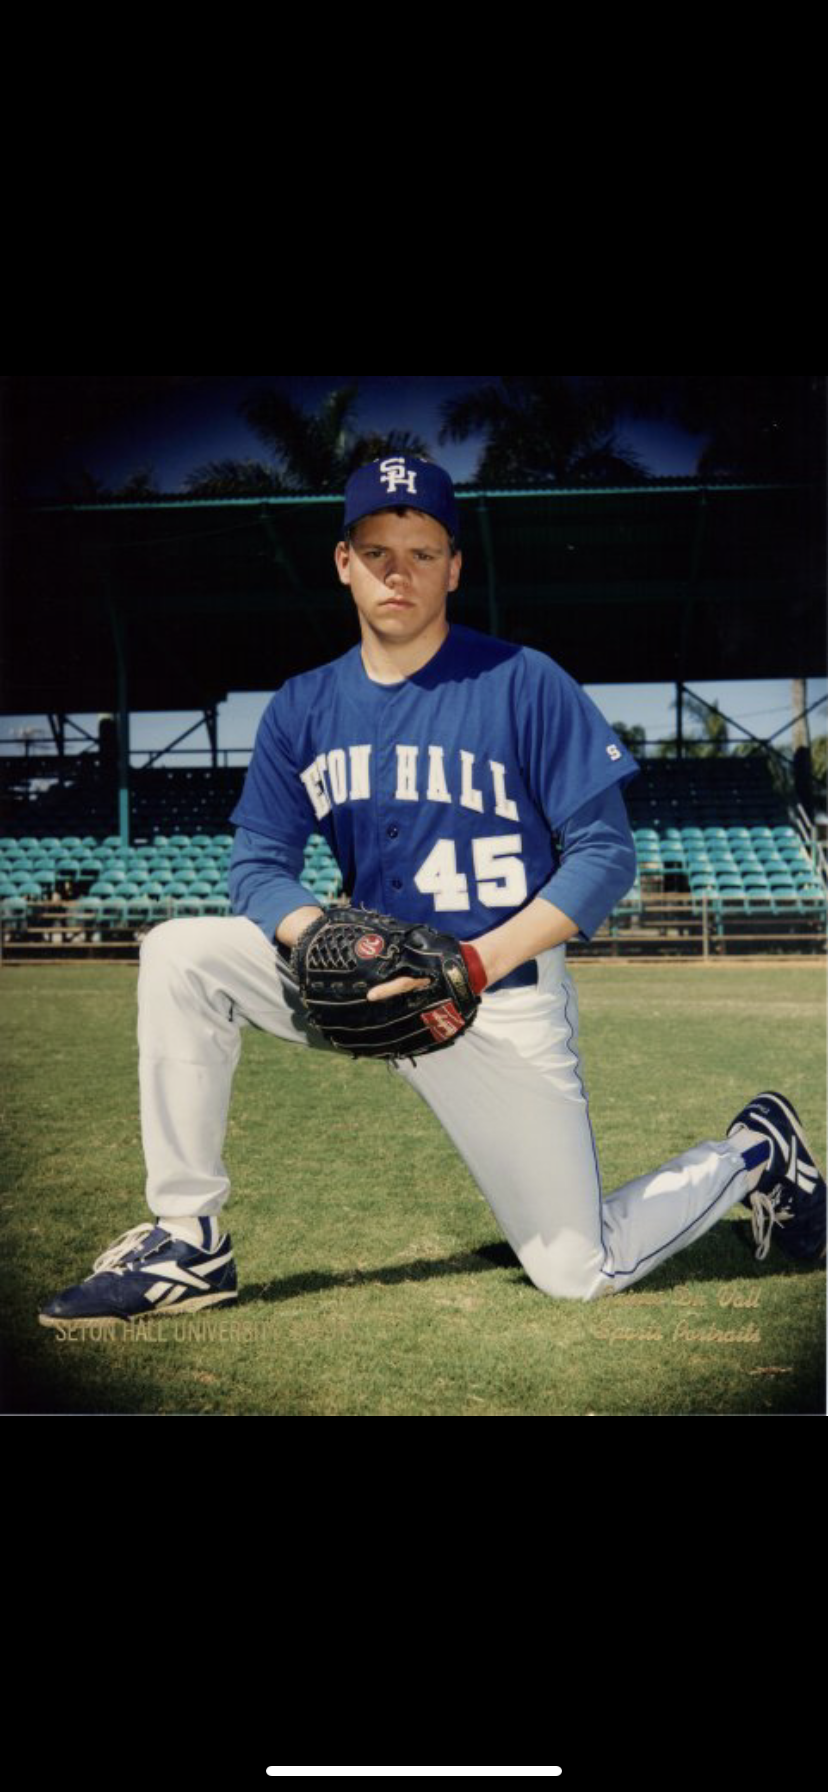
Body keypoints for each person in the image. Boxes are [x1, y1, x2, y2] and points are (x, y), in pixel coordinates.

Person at [39, 456, 826, 1326]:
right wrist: (319, 938)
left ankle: (758, 1150)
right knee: (180, 952)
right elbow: (257, 863)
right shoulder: (302, 707)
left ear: (454, 566)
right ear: (345, 562)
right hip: (365, 983)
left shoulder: (524, 682)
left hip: (498, 1003)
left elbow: (603, 855)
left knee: (577, 1269)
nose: (398, 571)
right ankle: (188, 1238)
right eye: (378, 551)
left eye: (422, 551)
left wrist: (474, 963)